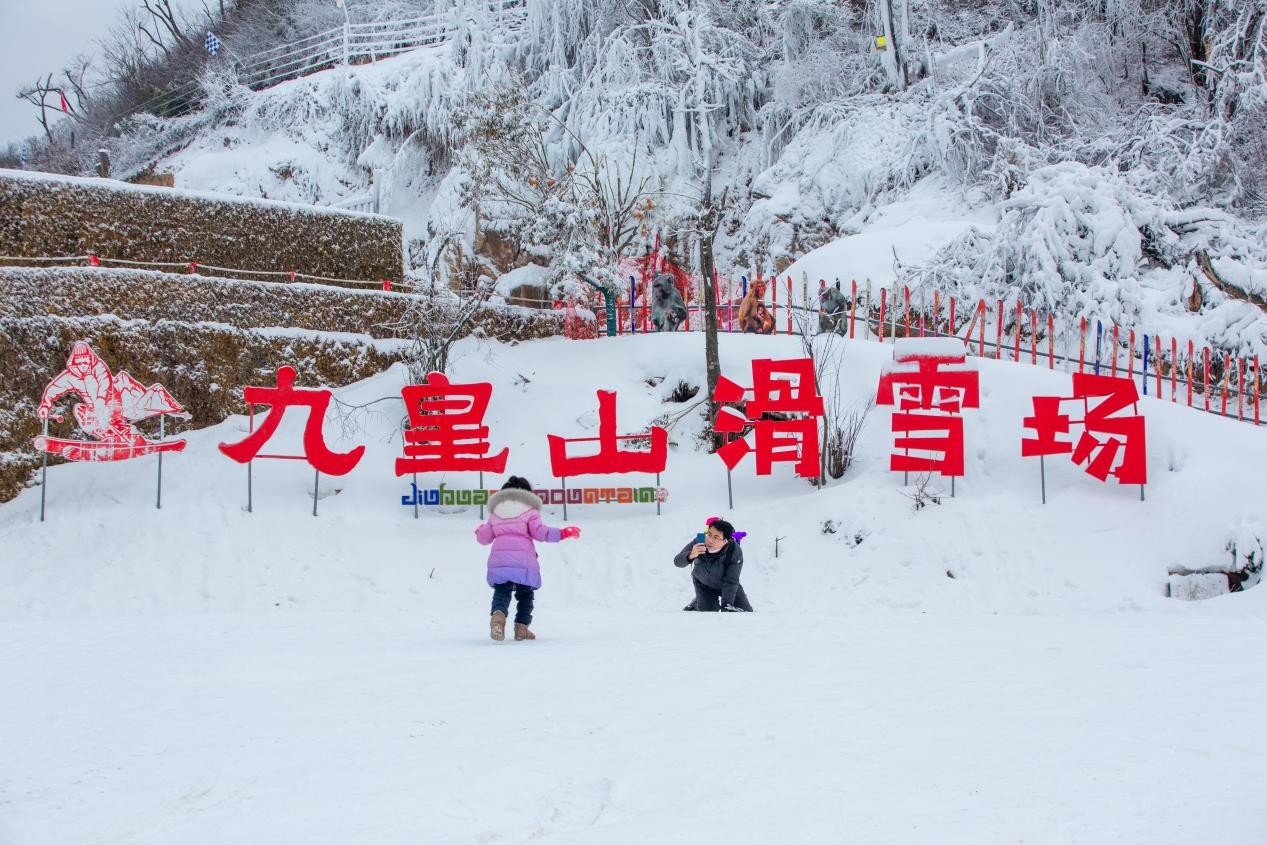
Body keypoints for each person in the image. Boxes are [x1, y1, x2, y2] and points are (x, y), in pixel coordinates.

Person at [475, 476, 580, 641]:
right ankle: (521, 628)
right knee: (525, 595)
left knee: (502, 591)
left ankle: (498, 618)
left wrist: (480, 531)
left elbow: (484, 538)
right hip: (523, 562)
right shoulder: (530, 512)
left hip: (500, 560)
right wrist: (562, 533)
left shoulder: (496, 514)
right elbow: (541, 532)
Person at [673, 517, 753, 612]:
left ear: (726, 540)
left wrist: (726, 605)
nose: (710, 540)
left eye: (716, 537)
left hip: (726, 585)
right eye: (709, 535)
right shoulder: (699, 541)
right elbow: (677, 562)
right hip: (703, 584)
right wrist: (690, 555)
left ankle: (706, 602)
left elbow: (731, 580)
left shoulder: (734, 551)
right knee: (709, 612)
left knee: (746, 612)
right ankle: (696, 604)